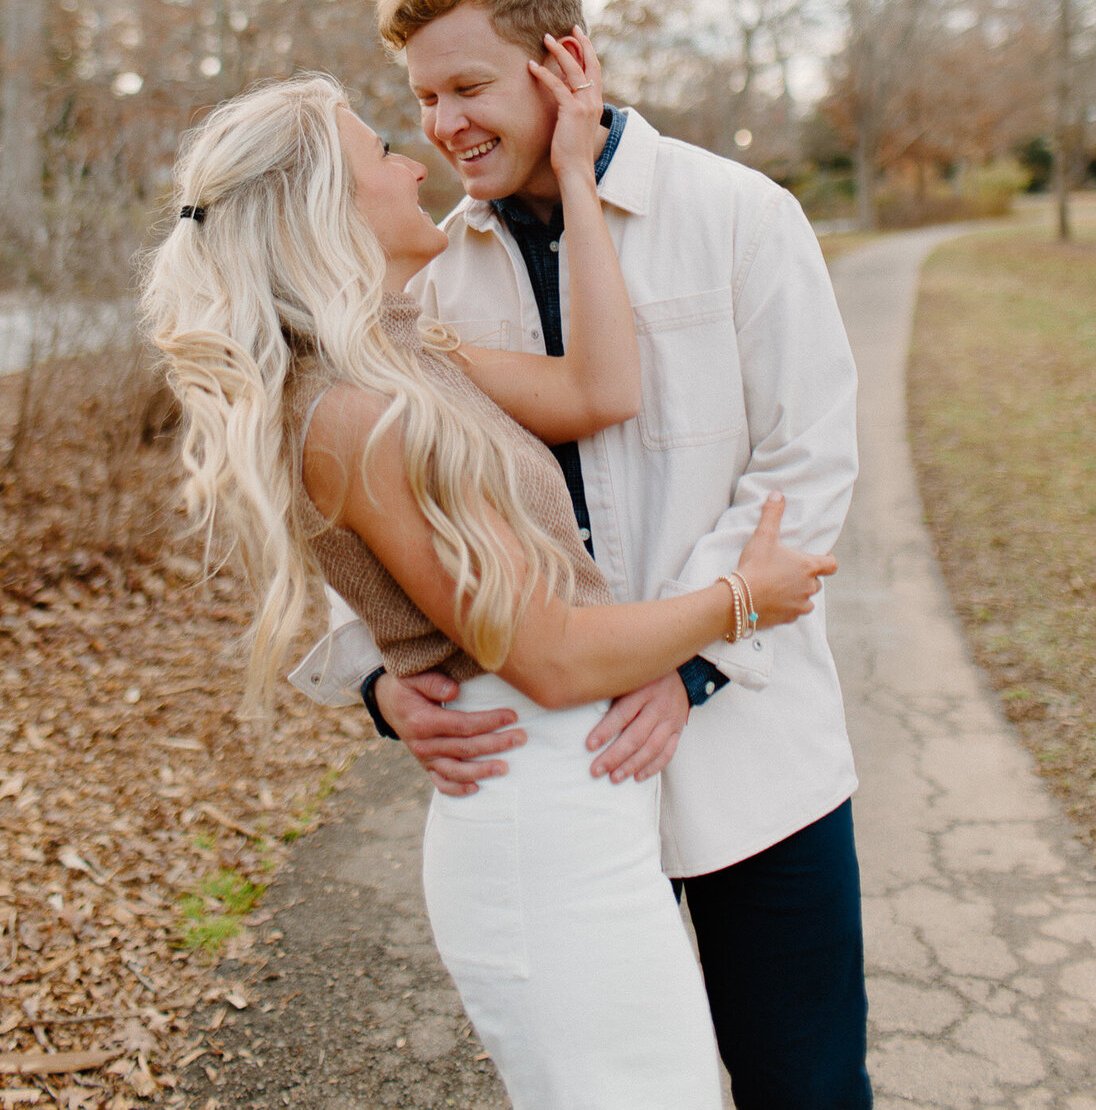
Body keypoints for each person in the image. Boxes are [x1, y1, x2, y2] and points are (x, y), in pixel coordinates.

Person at [141, 56, 837, 1110]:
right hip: (542, 803)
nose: (418, 158)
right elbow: (549, 656)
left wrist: (580, 178)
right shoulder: (352, 411)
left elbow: (598, 390)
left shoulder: (404, 352)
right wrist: (742, 603)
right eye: (384, 146)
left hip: (592, 802)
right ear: (326, 204)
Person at [293, 0, 871, 1110]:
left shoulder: (740, 216)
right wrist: (378, 683)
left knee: (803, 1086)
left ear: (564, 65)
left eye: (468, 87)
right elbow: (350, 499)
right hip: (560, 791)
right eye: (420, 98)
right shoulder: (428, 280)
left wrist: (691, 663)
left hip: (757, 762)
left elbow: (806, 468)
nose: (443, 125)